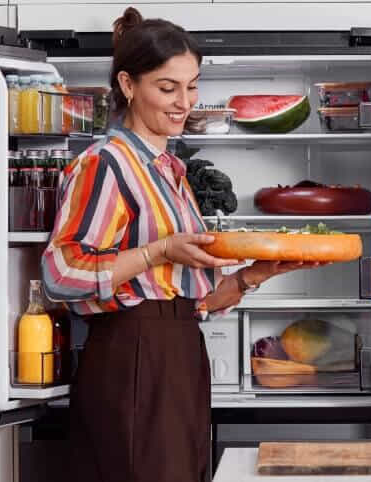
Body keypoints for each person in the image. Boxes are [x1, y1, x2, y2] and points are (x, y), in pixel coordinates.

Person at [40, 7, 321, 481]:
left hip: (180, 351)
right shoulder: (105, 163)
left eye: (191, 86)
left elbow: (187, 300)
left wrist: (255, 275)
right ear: (128, 85)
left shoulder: (169, 170)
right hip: (132, 356)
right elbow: (60, 274)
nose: (183, 102)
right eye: (167, 88)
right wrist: (158, 250)